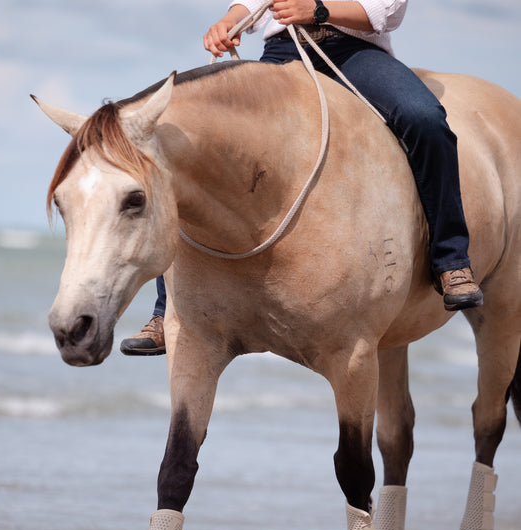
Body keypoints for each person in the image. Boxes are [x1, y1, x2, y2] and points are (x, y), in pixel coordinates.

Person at [120, 0, 482, 356]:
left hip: (356, 53)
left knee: (425, 120)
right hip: (282, 49)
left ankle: (451, 261)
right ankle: (166, 310)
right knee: (206, 150)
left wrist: (319, 10)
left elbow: (388, 10)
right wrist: (229, 21)